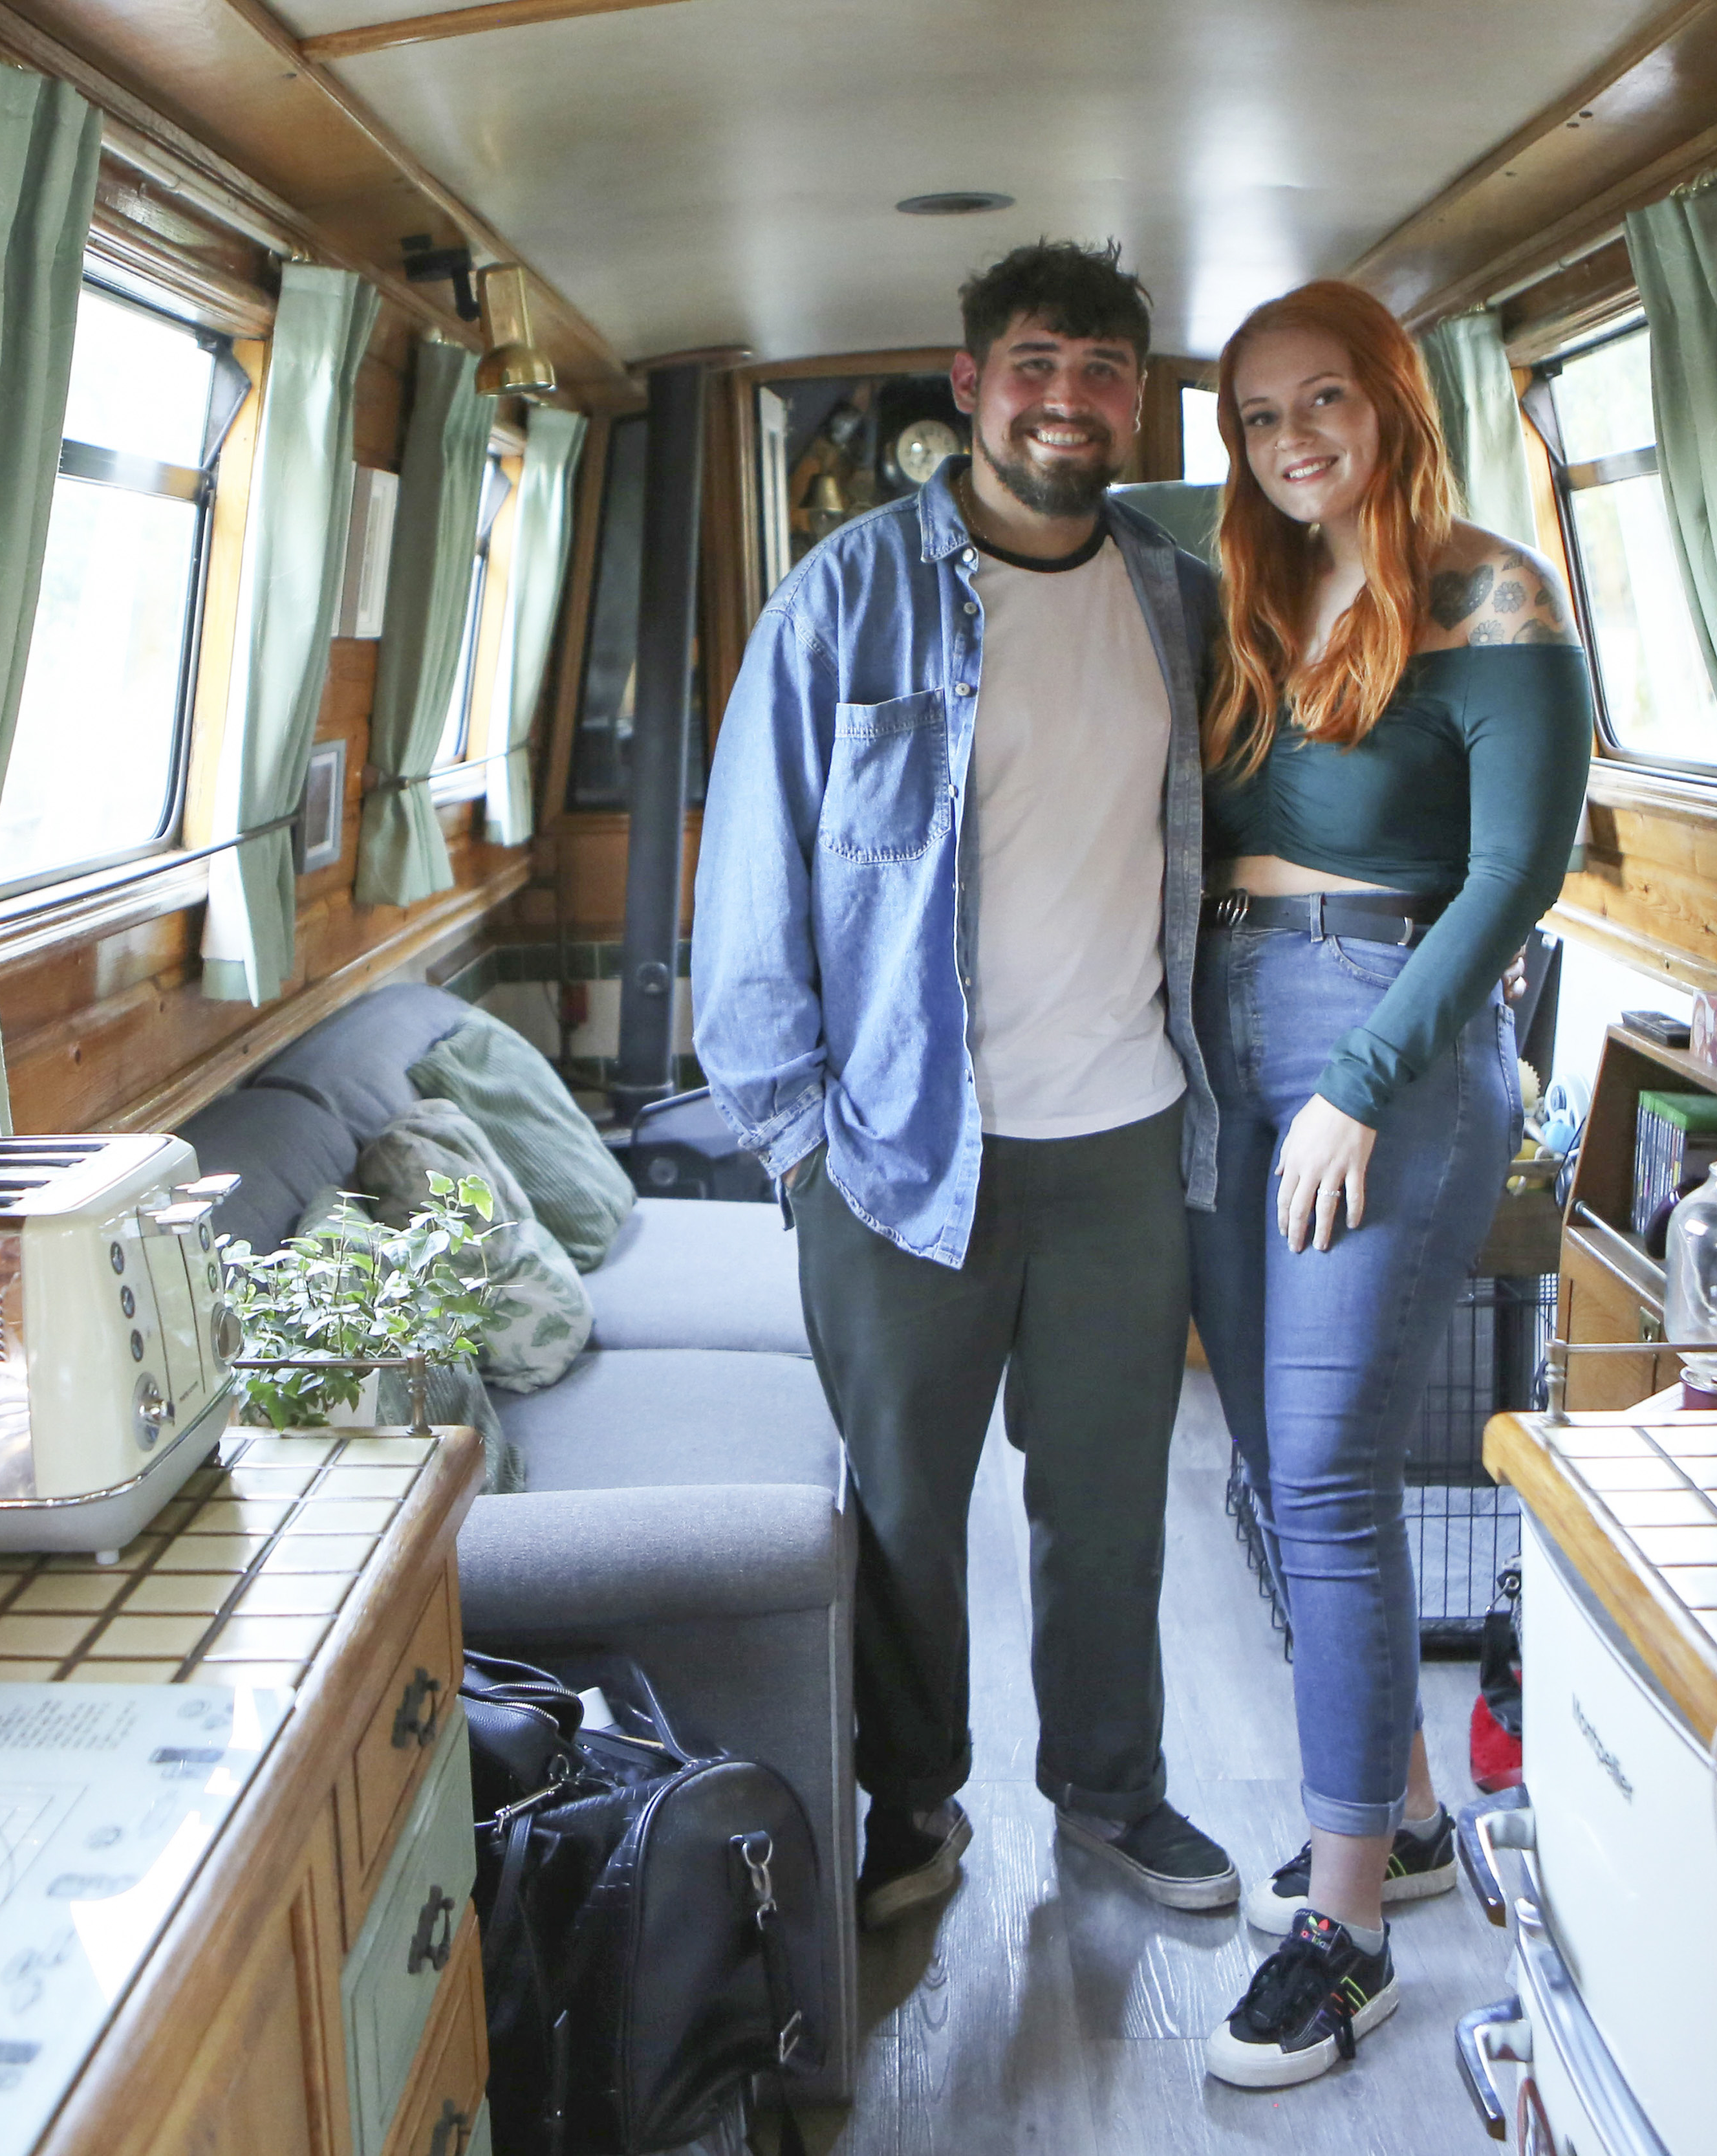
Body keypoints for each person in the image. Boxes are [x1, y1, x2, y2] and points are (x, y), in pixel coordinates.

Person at [694, 239, 1242, 1933]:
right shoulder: (845, 595)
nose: (1067, 398)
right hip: (896, 1147)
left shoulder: (1181, 595)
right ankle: (911, 1809)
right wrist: (799, 1141)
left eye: (1100, 369)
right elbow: (753, 884)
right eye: (1036, 363)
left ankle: (1112, 1790)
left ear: (1135, 400)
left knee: (1110, 1502)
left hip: (1122, 1135)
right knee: (907, 1512)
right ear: (970, 381)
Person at [1187, 279, 1592, 2091]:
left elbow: (1517, 874)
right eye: (1262, 416)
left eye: (1325, 402)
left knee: (1335, 1469)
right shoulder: (1242, 585)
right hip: (1227, 1014)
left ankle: (1343, 1931)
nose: (1295, 443)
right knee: (1277, 1464)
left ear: (1395, 402)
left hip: (1388, 1034)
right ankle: (1412, 1823)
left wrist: (1359, 1080)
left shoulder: (1495, 595)